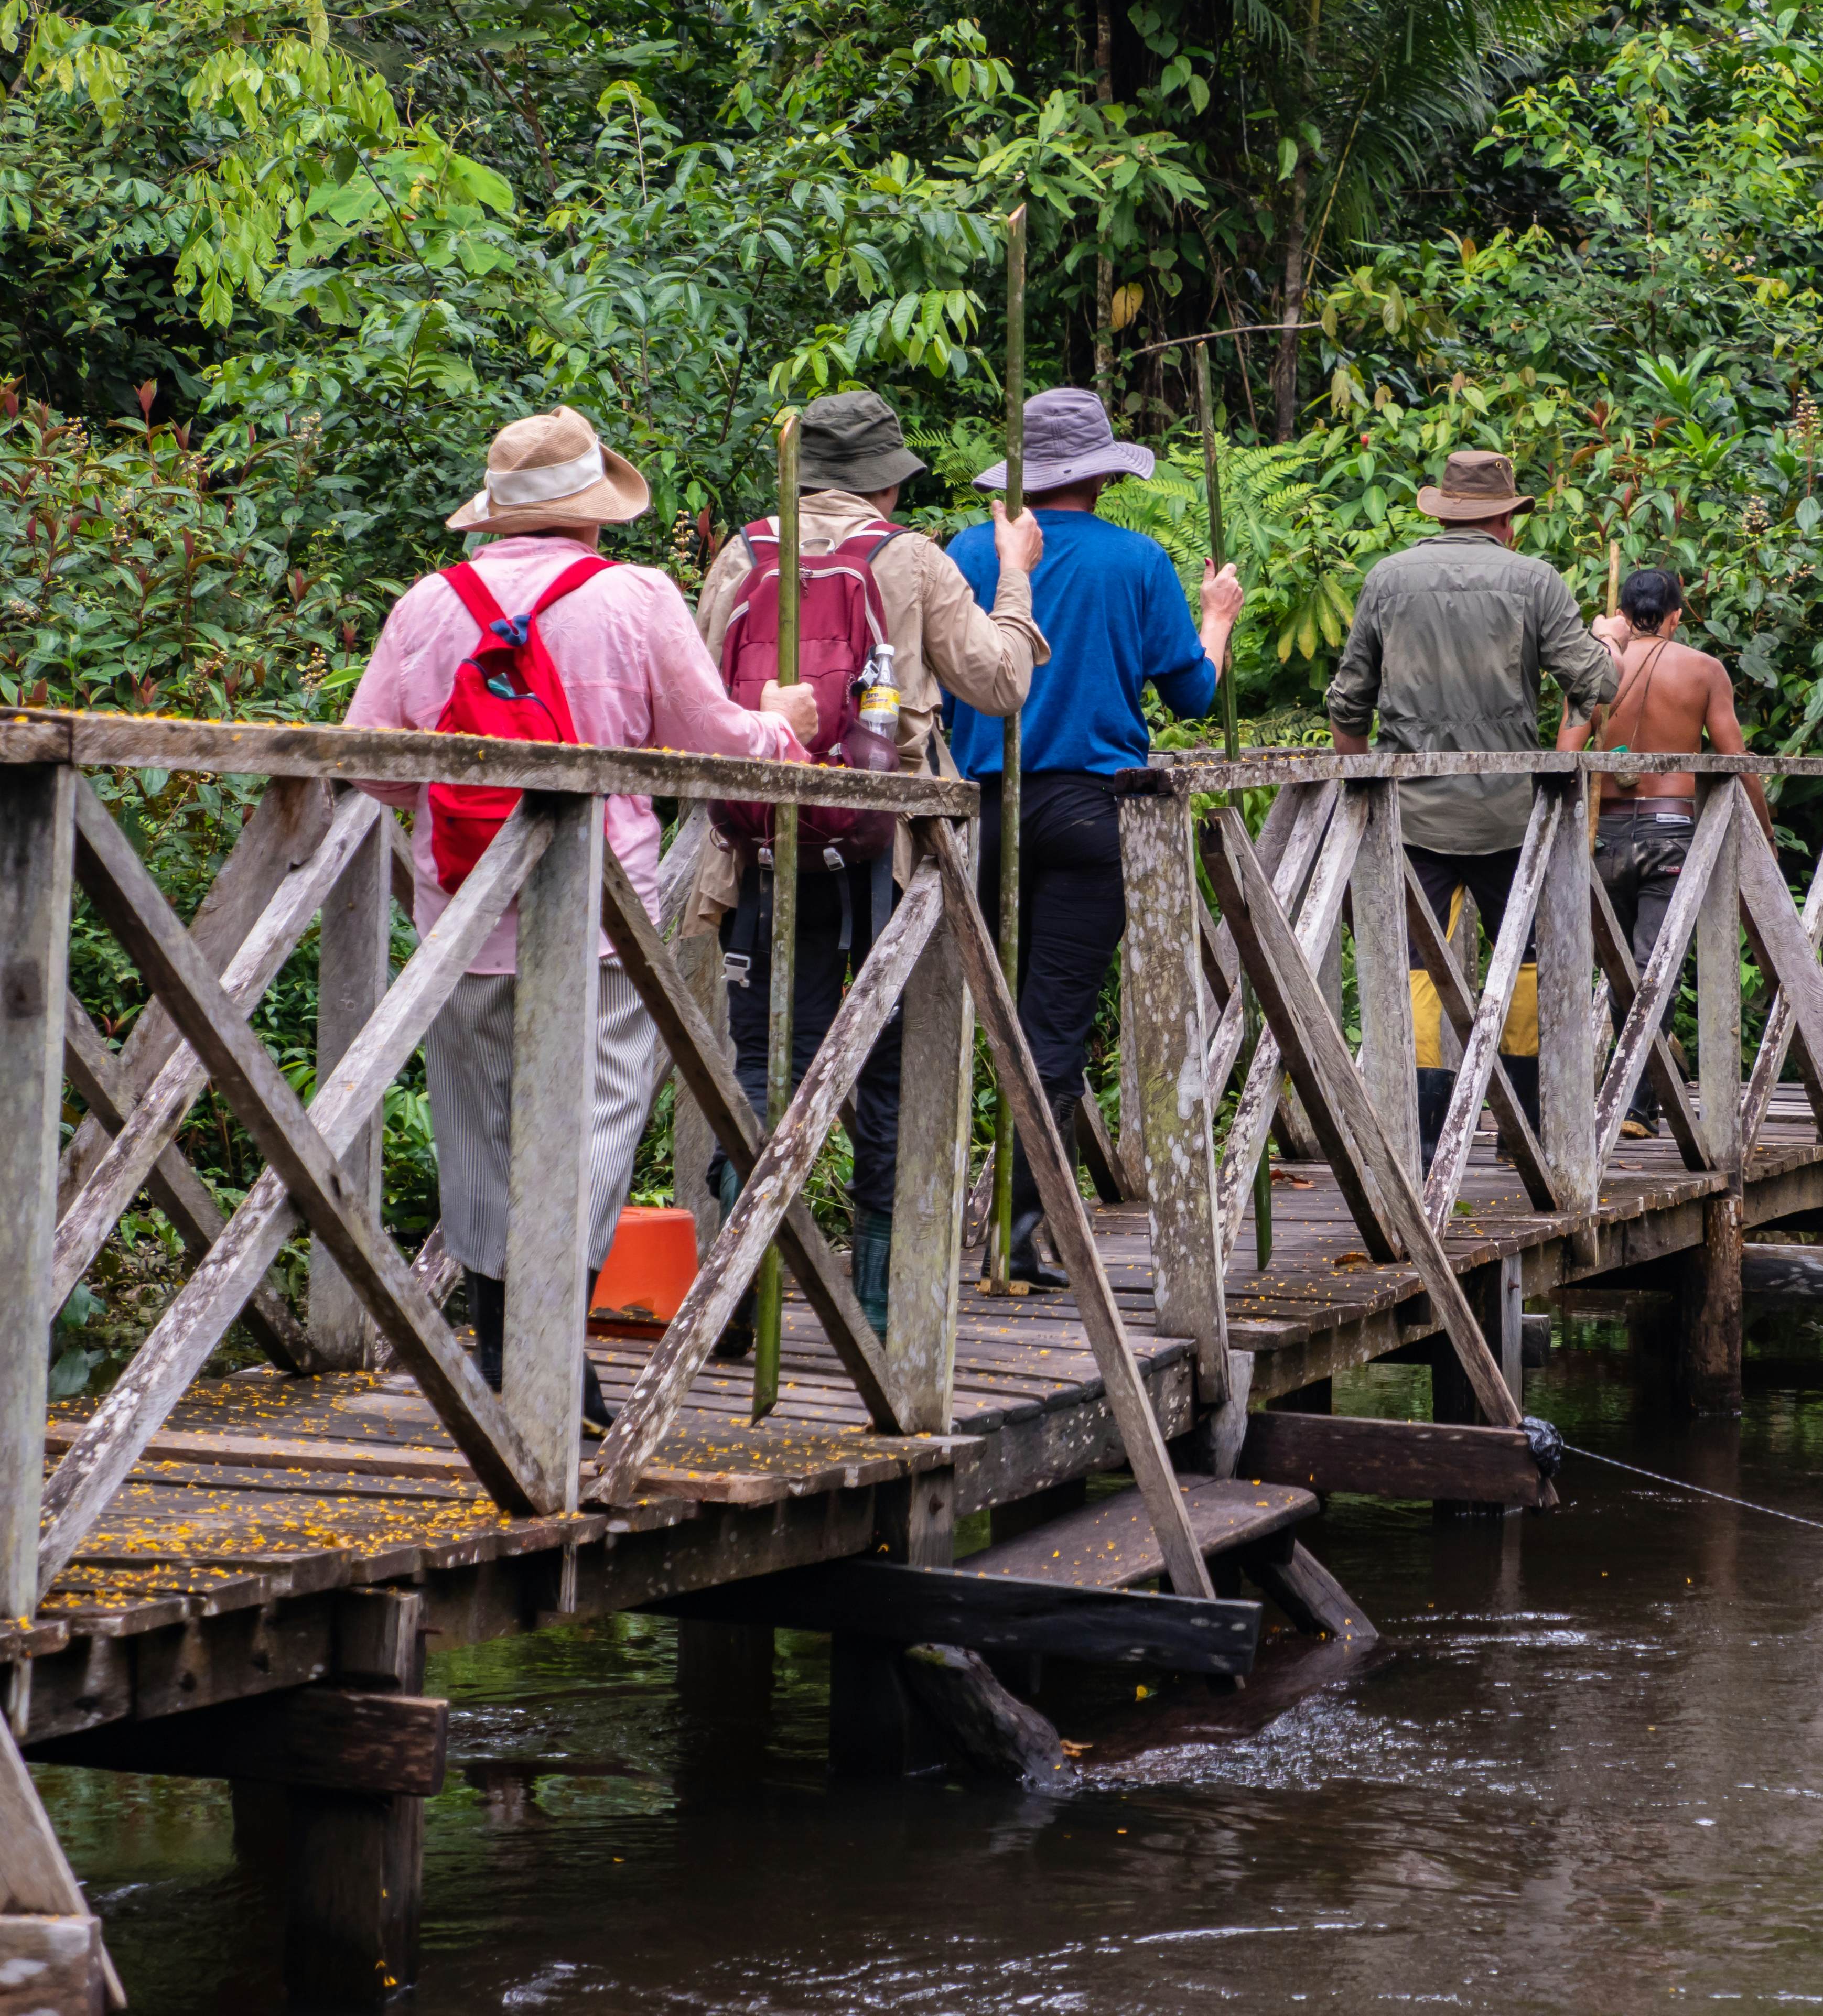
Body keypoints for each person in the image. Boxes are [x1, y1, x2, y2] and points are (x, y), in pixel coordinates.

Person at [346, 405, 820, 1430]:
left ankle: (514, 1354)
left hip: (463, 919)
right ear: (593, 515)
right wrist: (783, 728)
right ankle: (546, 1361)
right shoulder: (633, 598)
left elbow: (369, 766)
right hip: (604, 931)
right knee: (596, 1135)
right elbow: (718, 744)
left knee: (481, 1138)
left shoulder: (429, 605)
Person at [690, 389, 1045, 1339]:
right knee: (884, 1066)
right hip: (888, 860)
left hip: (760, 847)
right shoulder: (910, 556)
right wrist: (1014, 577)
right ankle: (885, 1307)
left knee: (766, 1062)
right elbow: (999, 681)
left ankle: (727, 1301)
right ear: (887, 480)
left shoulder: (743, 552)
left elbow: (695, 693)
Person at [941, 387, 1243, 1290]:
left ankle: (939, 1224)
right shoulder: (1135, 560)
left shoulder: (965, 551)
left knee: (964, 1022)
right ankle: (1017, 1232)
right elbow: (1191, 695)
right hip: (1086, 809)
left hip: (980, 807)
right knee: (1051, 1026)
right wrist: (1217, 614)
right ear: (1104, 475)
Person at [1323, 450, 1619, 1163]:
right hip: (1512, 816)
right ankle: (1526, 1134)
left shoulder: (1389, 579)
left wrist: (1363, 796)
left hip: (1411, 817)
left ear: (1446, 510)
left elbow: (1347, 705)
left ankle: (1420, 1139)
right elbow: (1598, 688)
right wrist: (1607, 649)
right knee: (1528, 960)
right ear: (1504, 519)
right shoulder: (1535, 581)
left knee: (1418, 969)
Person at [1552, 566, 1770, 1137]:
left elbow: (1565, 753)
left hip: (1605, 836)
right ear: (1676, 614)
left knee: (1625, 970)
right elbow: (1737, 763)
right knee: (1656, 968)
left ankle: (1630, 1089)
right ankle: (1635, 1104)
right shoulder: (1704, 671)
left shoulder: (1596, 669)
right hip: (1672, 834)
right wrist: (1763, 836)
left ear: (1622, 615)